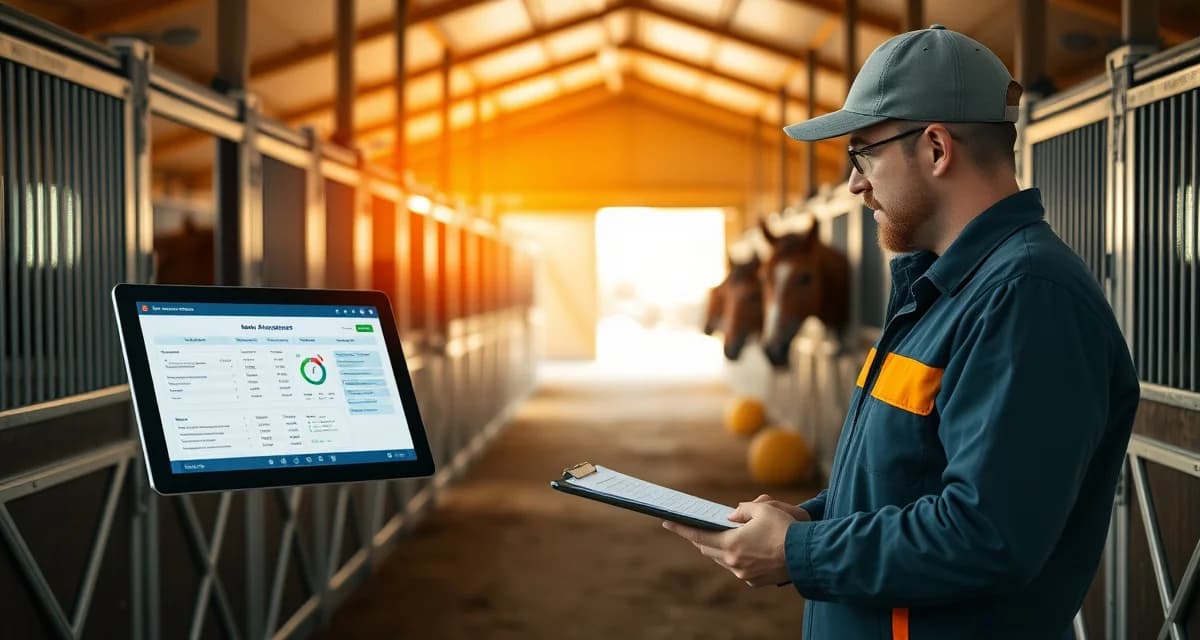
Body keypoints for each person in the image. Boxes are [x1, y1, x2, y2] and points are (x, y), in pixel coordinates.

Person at [662, 24, 1140, 640]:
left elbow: (988, 534)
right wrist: (803, 522)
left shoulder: (1025, 298)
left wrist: (801, 552)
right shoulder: (942, 293)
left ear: (936, 149)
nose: (855, 183)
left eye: (863, 152)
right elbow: (905, 482)